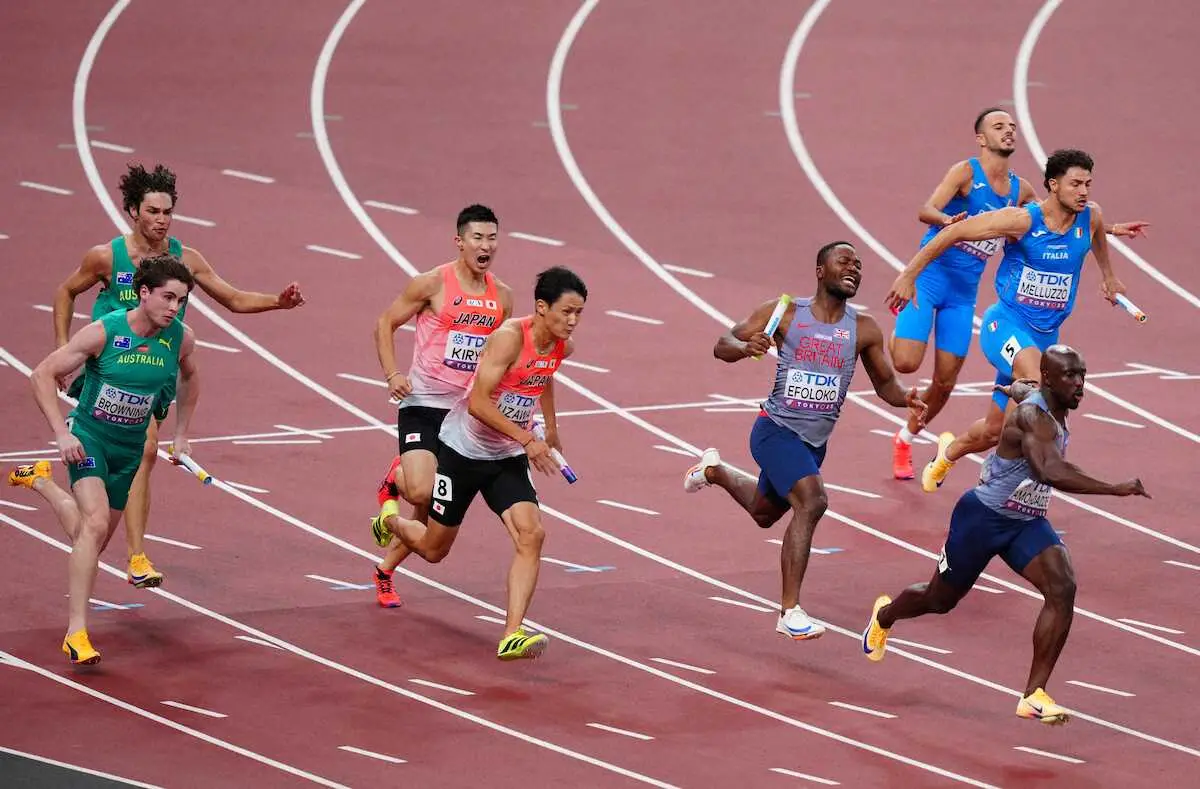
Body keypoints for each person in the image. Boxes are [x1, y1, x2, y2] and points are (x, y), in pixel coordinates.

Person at [48, 163, 304, 589]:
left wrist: (278, 302)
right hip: (108, 368)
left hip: (158, 369)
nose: (161, 219)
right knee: (146, 450)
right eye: (153, 211)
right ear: (133, 210)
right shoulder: (105, 257)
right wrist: (63, 350)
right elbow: (65, 291)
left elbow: (234, 299)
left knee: (130, 470)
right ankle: (138, 556)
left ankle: (82, 509)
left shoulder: (186, 259)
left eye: (168, 211)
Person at [861, 346, 1149, 724]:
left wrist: (1011, 387)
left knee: (1062, 587)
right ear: (1049, 378)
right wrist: (1114, 488)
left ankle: (1034, 695)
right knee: (939, 599)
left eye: (1082, 375)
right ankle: (885, 615)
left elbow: (1019, 389)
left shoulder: (1039, 397)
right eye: (1069, 376)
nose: (1079, 384)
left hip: (1026, 522)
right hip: (983, 518)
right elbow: (1049, 471)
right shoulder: (1034, 417)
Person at [683, 242, 928, 640]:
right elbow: (721, 345)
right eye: (844, 261)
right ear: (819, 270)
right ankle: (789, 611)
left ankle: (713, 470)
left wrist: (907, 399)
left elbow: (885, 383)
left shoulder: (863, 328)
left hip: (815, 443)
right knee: (813, 501)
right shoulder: (784, 314)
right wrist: (746, 348)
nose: (854, 268)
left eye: (858, 264)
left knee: (764, 512)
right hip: (776, 431)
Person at [889, 110, 1147, 480]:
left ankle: (949, 452)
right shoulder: (1021, 218)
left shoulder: (1088, 215)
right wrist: (909, 273)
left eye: (1088, 184)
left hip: (1042, 332)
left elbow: (1096, 233)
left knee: (995, 430)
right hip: (1003, 324)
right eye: (1076, 184)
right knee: (1035, 380)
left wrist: (1110, 276)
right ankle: (1022, 477)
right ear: (1053, 186)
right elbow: (951, 234)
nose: (1084, 191)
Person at [374, 266, 585, 660]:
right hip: (463, 452)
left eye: (579, 313)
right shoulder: (507, 340)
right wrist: (528, 439)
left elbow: (545, 375)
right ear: (541, 307)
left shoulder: (560, 345)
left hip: (504, 456)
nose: (573, 322)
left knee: (532, 535)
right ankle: (388, 516)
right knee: (434, 550)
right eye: (567, 312)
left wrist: (551, 430)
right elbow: (478, 403)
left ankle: (511, 634)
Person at [8, 255, 201, 665]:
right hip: (89, 438)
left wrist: (182, 434)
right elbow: (41, 374)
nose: (174, 307)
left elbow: (189, 377)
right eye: (168, 297)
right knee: (93, 525)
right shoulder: (104, 333)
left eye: (181, 301)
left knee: (88, 538)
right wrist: (62, 434)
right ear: (143, 292)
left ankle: (40, 482)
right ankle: (76, 632)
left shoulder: (181, 338)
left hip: (128, 450)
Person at [368, 204, 513, 608]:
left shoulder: (503, 298)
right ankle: (397, 475)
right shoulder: (432, 284)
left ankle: (385, 570)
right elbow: (384, 323)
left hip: (464, 414)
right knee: (420, 489)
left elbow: (501, 359)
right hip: (423, 404)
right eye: (478, 238)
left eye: (492, 238)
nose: (486, 246)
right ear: (460, 241)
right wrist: (393, 374)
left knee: (432, 520)